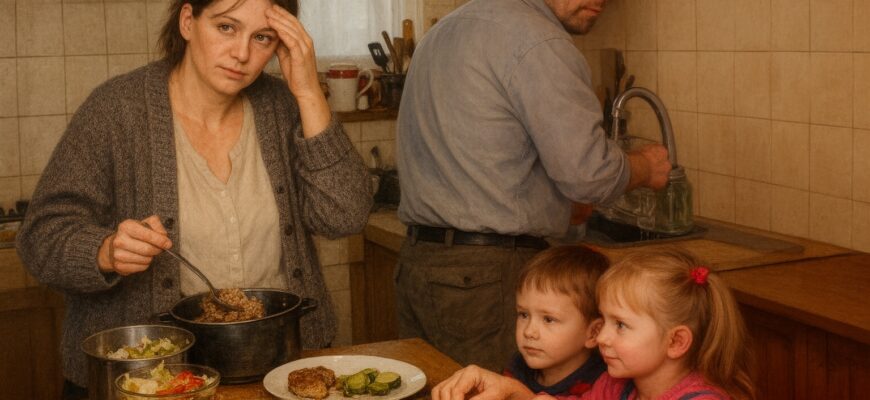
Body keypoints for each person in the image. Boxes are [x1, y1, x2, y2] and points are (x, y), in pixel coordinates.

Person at [15, 0, 372, 398]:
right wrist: (104, 251)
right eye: (226, 27)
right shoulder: (115, 110)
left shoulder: (283, 106)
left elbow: (345, 215)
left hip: (276, 372)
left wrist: (308, 92)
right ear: (188, 22)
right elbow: (40, 237)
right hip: (145, 382)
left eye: (262, 37)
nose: (242, 53)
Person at [395, 0, 672, 370]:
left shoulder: (445, 30)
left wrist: (553, 203)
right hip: (485, 276)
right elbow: (589, 175)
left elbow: (482, 159)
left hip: (418, 262)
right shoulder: (540, 41)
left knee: (440, 390)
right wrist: (646, 167)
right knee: (493, 392)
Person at [431, 248, 756, 400]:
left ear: (676, 342)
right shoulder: (617, 387)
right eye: (605, 321)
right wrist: (514, 392)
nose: (602, 337)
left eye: (621, 325)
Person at [505, 245, 609, 397]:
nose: (529, 332)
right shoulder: (518, 368)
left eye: (548, 319)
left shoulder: (604, 387)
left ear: (594, 333)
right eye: (523, 315)